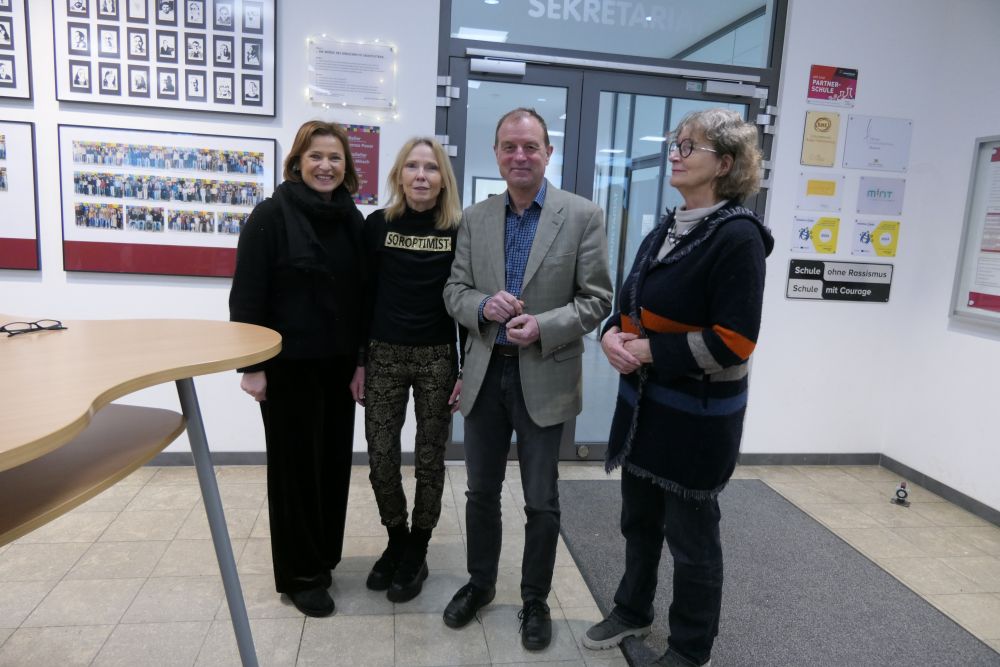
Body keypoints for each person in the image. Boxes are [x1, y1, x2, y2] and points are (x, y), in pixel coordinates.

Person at [583, 108, 773, 667]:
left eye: (689, 147)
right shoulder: (667, 228)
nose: (676, 154)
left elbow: (734, 343)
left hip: (696, 421)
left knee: (692, 544)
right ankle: (632, 609)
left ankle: (691, 651)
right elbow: (629, 305)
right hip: (645, 410)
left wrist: (646, 350)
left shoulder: (738, 237)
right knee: (638, 522)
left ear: (726, 163)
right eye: (676, 143)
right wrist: (611, 334)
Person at [442, 107, 612, 650]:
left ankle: (535, 598)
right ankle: (481, 583)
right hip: (486, 376)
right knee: (480, 493)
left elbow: (597, 301)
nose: (520, 156)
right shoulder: (475, 218)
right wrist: (482, 307)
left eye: (530, 147)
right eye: (509, 147)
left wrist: (543, 324)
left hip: (546, 377)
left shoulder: (582, 215)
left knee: (541, 499)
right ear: (496, 154)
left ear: (547, 153)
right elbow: (454, 291)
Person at [229, 121, 366, 618]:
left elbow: (360, 300)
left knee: (330, 467)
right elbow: (247, 296)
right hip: (286, 370)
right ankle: (300, 574)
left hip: (336, 369)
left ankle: (323, 557)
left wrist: (359, 362)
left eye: (334, 157)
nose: (326, 166)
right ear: (297, 163)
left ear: (346, 166)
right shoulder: (270, 217)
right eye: (316, 157)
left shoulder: (351, 220)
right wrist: (251, 367)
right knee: (294, 474)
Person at [350, 138, 464, 603]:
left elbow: (468, 302)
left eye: (431, 168)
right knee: (380, 457)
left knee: (430, 458)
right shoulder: (377, 226)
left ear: (443, 179)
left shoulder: (459, 229)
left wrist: (465, 369)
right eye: (412, 167)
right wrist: (358, 361)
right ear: (399, 175)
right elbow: (361, 297)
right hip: (383, 354)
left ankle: (418, 546)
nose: (421, 175)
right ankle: (397, 537)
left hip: (438, 355)